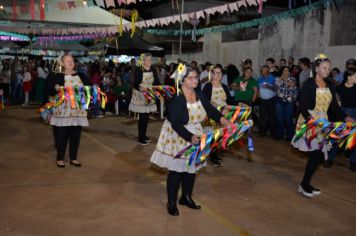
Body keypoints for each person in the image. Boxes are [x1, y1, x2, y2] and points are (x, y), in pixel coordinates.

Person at [150, 65, 230, 216]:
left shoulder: (198, 92)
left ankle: (186, 197)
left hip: (195, 133)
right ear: (182, 80)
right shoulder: (176, 98)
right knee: (177, 170)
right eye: (191, 77)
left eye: (196, 77)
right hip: (178, 134)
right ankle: (171, 202)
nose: (195, 80)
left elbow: (209, 109)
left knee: (191, 168)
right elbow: (175, 124)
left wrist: (223, 119)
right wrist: (189, 137)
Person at [292, 55, 354, 198]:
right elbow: (302, 105)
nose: (327, 70)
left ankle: (305, 183)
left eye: (329, 68)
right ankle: (304, 184)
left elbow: (334, 107)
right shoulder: (309, 83)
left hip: (323, 122)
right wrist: (310, 119)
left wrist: (345, 117)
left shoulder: (330, 85)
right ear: (317, 68)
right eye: (325, 68)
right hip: (310, 121)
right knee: (316, 154)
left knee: (317, 155)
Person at [48, 54, 91, 168]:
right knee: (61, 135)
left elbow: (88, 87)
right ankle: (60, 158)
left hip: (78, 111)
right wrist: (56, 88)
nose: (70, 63)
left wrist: (89, 90)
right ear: (62, 63)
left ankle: (73, 158)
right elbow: (50, 90)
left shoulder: (81, 75)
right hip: (63, 111)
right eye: (67, 61)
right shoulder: (57, 76)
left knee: (76, 136)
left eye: (72, 60)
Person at [203, 64, 236, 167]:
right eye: (216, 73)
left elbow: (230, 100)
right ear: (212, 74)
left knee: (222, 136)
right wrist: (213, 105)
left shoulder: (224, 86)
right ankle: (212, 157)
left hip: (225, 115)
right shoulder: (208, 86)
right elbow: (205, 102)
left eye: (220, 73)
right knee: (214, 136)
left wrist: (238, 103)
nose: (218, 75)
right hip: (213, 115)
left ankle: (215, 154)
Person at [128, 53, 160, 145]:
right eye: (148, 60)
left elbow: (157, 81)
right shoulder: (139, 69)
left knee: (146, 117)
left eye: (151, 59)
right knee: (142, 117)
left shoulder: (153, 69)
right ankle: (141, 137)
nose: (150, 61)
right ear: (144, 61)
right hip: (141, 95)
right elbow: (135, 83)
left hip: (149, 94)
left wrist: (159, 88)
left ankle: (144, 135)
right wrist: (140, 87)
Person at [328, 68, 356, 171]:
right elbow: (336, 106)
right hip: (342, 114)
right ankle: (330, 159)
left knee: (353, 139)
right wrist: (344, 116)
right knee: (337, 138)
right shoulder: (339, 89)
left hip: (354, 114)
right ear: (349, 77)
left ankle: (353, 162)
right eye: (355, 76)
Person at [274, 67, 299, 141]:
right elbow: (277, 89)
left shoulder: (293, 79)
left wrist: (291, 85)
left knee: (288, 119)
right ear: (282, 71)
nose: (286, 72)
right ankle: (279, 135)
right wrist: (286, 82)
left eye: (288, 71)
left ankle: (290, 136)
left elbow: (294, 88)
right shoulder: (277, 79)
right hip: (279, 101)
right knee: (280, 119)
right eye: (285, 70)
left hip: (290, 101)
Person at [258, 65, 276, 137]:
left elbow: (276, 89)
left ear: (268, 70)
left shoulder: (272, 78)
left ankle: (272, 132)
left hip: (271, 99)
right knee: (263, 116)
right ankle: (263, 131)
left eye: (265, 69)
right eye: (262, 70)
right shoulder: (259, 78)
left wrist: (269, 87)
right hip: (262, 100)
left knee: (272, 116)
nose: (263, 71)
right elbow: (258, 88)